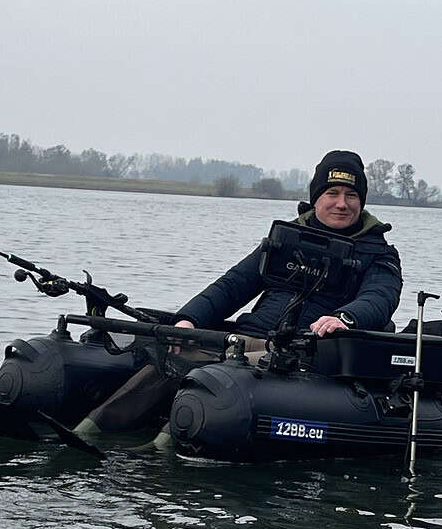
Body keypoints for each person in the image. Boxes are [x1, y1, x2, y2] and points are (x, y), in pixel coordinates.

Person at [75, 149, 403, 441]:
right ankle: (92, 430)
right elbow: (233, 285)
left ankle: (160, 449)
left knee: (218, 377)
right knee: (169, 359)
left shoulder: (379, 254)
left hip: (306, 352)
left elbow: (381, 296)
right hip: (245, 338)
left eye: (351, 195)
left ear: (361, 201)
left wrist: (345, 318)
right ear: (316, 197)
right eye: (332, 192)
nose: (342, 203)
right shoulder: (284, 240)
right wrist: (188, 320)